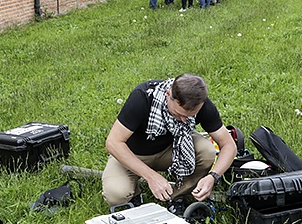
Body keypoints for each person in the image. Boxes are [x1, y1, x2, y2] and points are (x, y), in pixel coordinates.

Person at [102, 74, 237, 209]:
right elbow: (113, 142)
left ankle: (179, 197)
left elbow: (229, 145)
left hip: (171, 151)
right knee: (116, 194)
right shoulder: (143, 98)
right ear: (168, 94)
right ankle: (136, 194)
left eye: (190, 116)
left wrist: (213, 177)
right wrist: (151, 176)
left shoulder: (202, 105)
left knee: (207, 151)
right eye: (179, 114)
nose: (184, 120)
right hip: (132, 154)